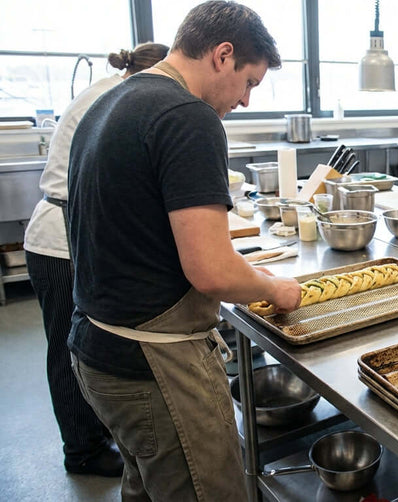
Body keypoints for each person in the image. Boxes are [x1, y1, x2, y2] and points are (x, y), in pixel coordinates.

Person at [66, 1, 301, 499]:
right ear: (222, 54)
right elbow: (212, 272)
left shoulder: (110, 102)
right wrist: (273, 288)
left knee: (147, 489)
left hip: (97, 351)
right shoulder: (187, 117)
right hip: (156, 365)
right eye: (249, 83)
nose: (245, 102)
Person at [24, 42, 169, 477]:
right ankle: (81, 451)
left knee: (77, 343)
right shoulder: (113, 99)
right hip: (60, 240)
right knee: (68, 347)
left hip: (76, 229)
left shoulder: (114, 92)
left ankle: (96, 434)